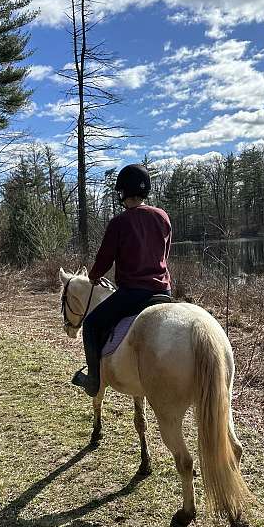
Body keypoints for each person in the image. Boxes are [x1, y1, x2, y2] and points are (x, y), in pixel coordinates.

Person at [72, 163, 172, 397]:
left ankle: (93, 381)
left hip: (133, 295)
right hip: (163, 292)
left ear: (123, 192)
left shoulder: (120, 222)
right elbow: (164, 253)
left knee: (92, 324)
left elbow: (105, 257)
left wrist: (94, 276)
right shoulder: (163, 216)